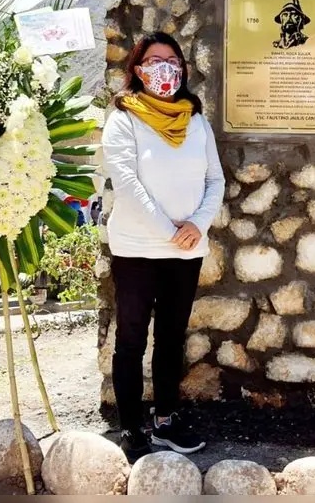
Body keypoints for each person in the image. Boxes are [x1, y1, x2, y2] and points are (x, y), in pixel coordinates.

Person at [102, 32, 224, 462]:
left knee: (171, 338)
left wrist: (198, 223)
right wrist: (168, 228)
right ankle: (132, 427)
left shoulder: (196, 121)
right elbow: (127, 182)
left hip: (185, 249)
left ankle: (167, 418)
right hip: (136, 248)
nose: (165, 68)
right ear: (137, 69)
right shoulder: (123, 119)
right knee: (132, 339)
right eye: (155, 60)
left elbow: (215, 180)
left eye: (173, 60)